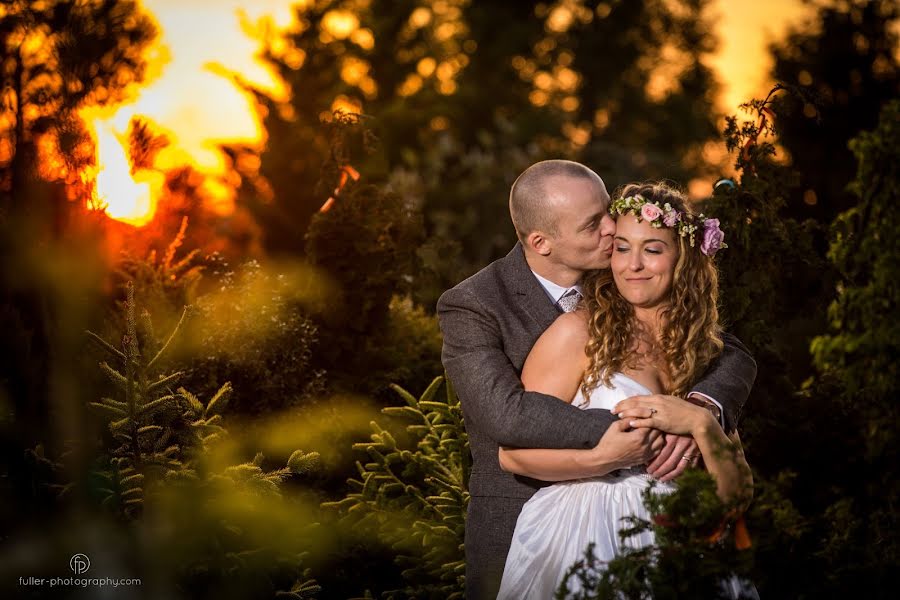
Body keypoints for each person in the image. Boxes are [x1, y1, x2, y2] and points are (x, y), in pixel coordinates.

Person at [437, 161, 757, 599]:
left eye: (609, 212)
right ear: (542, 242)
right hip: (538, 526)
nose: (612, 229)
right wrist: (641, 433)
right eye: (594, 224)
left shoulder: (623, 277)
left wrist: (701, 413)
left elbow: (728, 350)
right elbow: (507, 417)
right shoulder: (475, 304)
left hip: (671, 532)